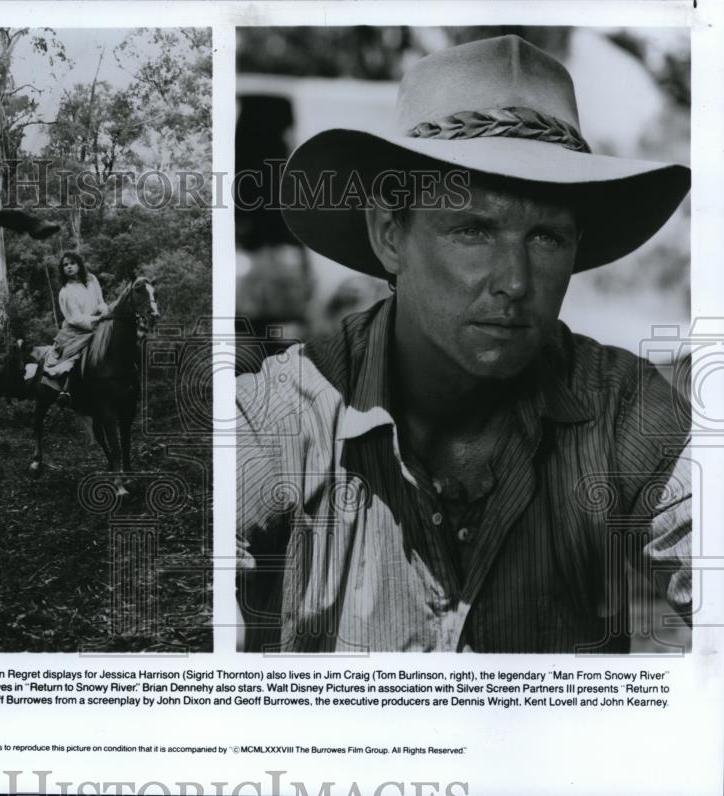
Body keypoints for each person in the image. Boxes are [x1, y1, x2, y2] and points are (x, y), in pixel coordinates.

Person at [236, 35, 692, 653]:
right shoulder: (277, 418)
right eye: (473, 230)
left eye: (546, 238)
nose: (515, 282)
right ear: (390, 234)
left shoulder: (621, 408)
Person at [42, 251, 108, 404]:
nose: (69, 267)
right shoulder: (65, 292)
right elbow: (75, 318)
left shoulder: (92, 279)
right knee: (75, 355)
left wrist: (104, 311)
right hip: (77, 329)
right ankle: (66, 390)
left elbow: (101, 301)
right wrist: (97, 319)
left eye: (72, 263)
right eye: (65, 265)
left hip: (100, 321)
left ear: (79, 265)